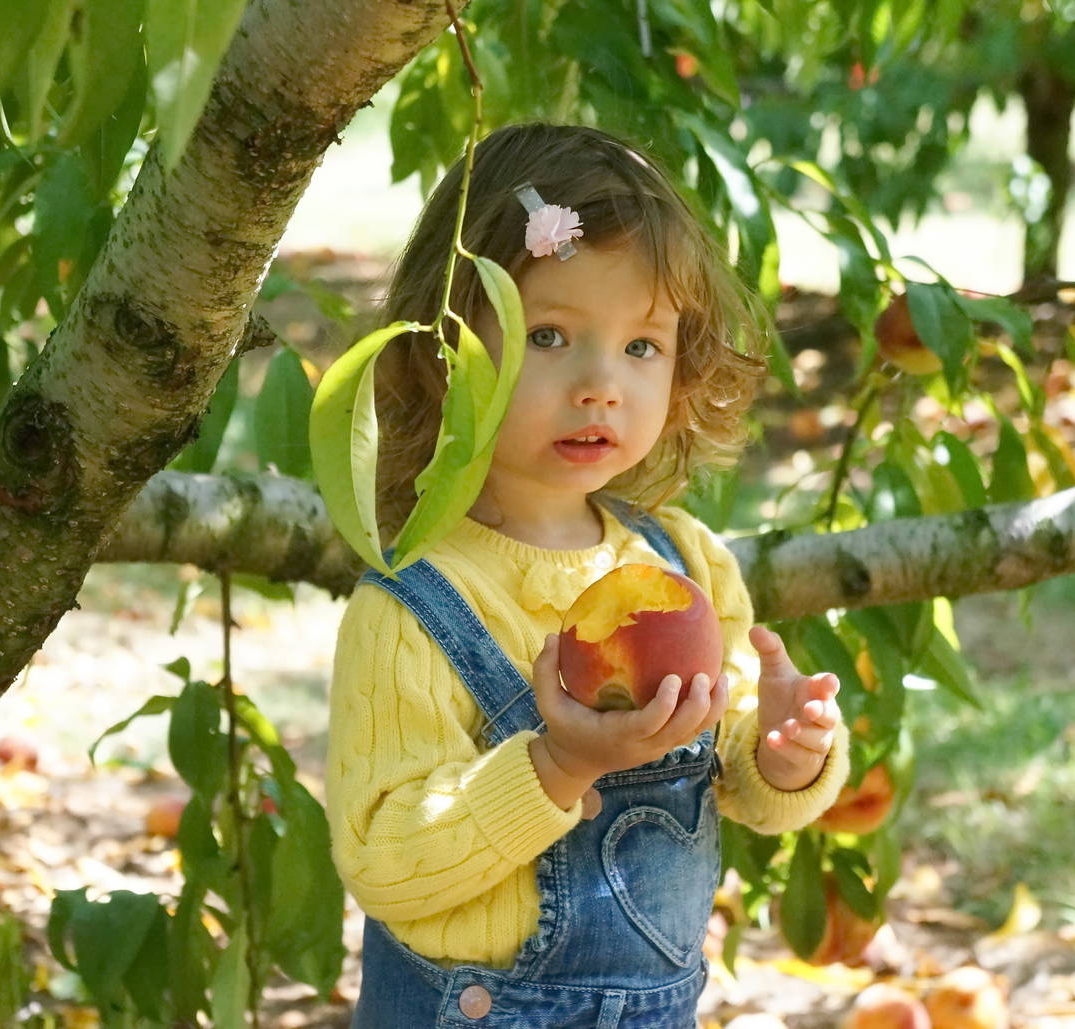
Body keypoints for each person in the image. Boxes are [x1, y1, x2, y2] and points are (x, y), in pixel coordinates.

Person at [325, 123, 849, 1028]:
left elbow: (738, 778)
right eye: (552, 334)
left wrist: (786, 753)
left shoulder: (683, 565)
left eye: (641, 346)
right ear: (445, 354)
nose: (601, 382)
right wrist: (556, 764)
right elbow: (384, 860)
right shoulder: (414, 607)